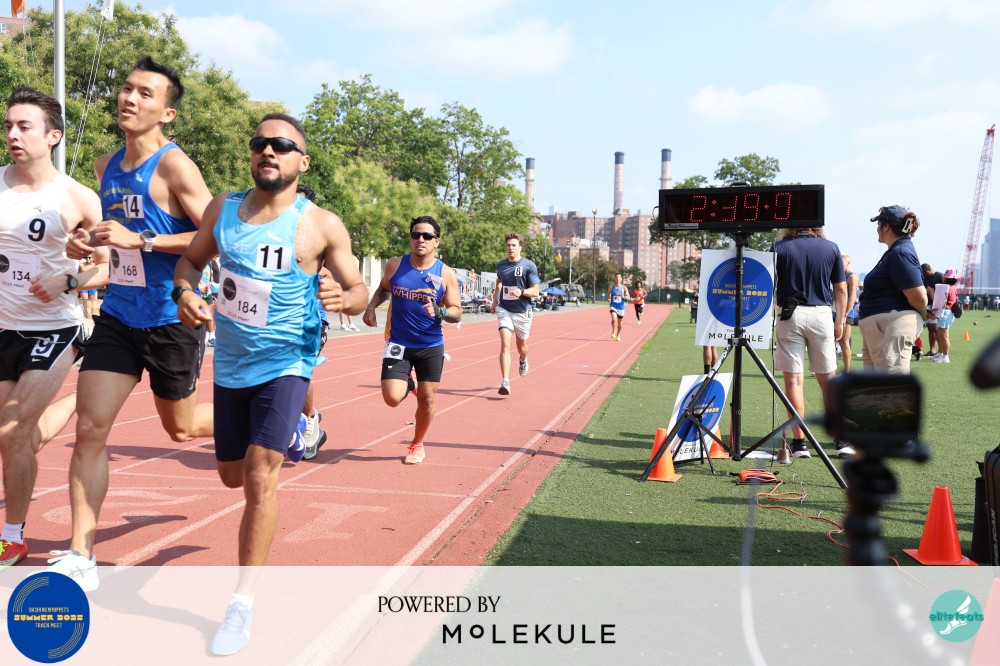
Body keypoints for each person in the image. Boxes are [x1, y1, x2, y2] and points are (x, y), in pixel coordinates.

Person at [174, 112, 367, 656]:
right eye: (260, 142)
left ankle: (241, 605)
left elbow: (358, 289)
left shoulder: (321, 225)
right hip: (232, 363)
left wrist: (345, 298)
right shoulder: (223, 209)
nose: (268, 150)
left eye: (281, 144)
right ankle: (297, 432)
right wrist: (185, 293)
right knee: (231, 477)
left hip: (288, 361)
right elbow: (189, 264)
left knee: (261, 477)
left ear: (302, 162)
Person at [49, 56, 214, 589]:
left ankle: (261, 416)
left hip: (171, 316)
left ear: (167, 113)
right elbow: (110, 235)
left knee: (181, 429)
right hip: (119, 314)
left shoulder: (175, 167)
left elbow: (214, 238)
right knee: (90, 429)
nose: (130, 98)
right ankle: (81, 554)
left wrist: (141, 240)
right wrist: (86, 242)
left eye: (145, 93)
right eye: (126, 88)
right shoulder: (106, 166)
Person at [0, 87, 107, 568]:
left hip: (54, 329)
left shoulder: (77, 197)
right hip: (3, 329)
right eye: (9, 126)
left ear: (53, 136)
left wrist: (69, 279)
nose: (13, 134)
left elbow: (111, 266)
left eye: (24, 126)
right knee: (18, 437)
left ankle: (12, 536)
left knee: (11, 429)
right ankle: (75, 401)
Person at [362, 215, 461, 462]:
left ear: (436, 241)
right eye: (416, 235)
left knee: (427, 399)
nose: (421, 239)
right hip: (398, 343)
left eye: (427, 236)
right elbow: (384, 288)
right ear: (410, 238)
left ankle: (417, 444)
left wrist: (440, 312)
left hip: (430, 345)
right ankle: (410, 384)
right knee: (392, 398)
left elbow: (457, 312)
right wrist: (371, 307)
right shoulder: (395, 265)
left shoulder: (446, 273)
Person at [770, 227, 848, 459]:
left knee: (794, 380)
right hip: (821, 314)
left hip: (789, 314)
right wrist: (840, 320)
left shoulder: (779, 247)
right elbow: (841, 288)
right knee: (829, 380)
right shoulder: (831, 247)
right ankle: (841, 440)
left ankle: (800, 443)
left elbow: (768, 284)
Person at [858, 205, 927, 374]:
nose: (877, 229)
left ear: (886, 226)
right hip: (883, 327)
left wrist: (925, 313)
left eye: (879, 224)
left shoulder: (900, 252)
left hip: (891, 326)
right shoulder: (897, 251)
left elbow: (918, 297)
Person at [490, 233, 540, 395]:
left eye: (514, 245)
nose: (510, 248)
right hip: (505, 309)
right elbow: (499, 282)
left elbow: (536, 291)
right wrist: (495, 300)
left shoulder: (529, 266)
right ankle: (505, 381)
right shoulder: (501, 265)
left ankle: (523, 359)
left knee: (522, 347)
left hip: (523, 312)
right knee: (505, 343)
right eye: (508, 245)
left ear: (520, 247)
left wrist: (522, 291)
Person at [927, 268, 959, 364]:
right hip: (948, 312)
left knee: (944, 336)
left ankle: (945, 356)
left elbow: (939, 302)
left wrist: (931, 293)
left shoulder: (945, 288)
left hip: (945, 312)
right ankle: (941, 354)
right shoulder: (953, 287)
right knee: (941, 335)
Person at [838, 253, 860, 373]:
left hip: (847, 313)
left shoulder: (852, 276)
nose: (840, 265)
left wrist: (845, 314)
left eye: (842, 263)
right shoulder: (839, 276)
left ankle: (847, 371)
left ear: (848, 263)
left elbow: (852, 297)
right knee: (834, 340)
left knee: (844, 342)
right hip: (836, 311)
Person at [921, 263, 943, 356]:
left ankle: (941, 351)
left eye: (924, 273)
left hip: (936, 306)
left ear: (928, 270)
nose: (923, 276)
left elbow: (945, 291)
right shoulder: (925, 278)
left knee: (936, 328)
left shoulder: (939, 276)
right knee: (930, 328)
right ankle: (932, 350)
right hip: (928, 305)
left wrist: (932, 293)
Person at [607, 272, 630, 341]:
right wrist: (609, 298)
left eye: (619, 277)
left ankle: (618, 334)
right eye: (616, 277)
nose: (618, 278)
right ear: (614, 279)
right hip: (613, 305)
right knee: (614, 319)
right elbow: (608, 295)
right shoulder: (611, 287)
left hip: (621, 307)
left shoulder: (624, 288)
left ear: (621, 279)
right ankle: (613, 330)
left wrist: (624, 296)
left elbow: (628, 297)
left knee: (620, 322)